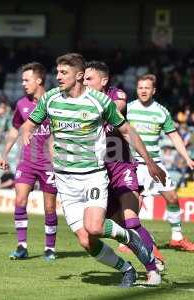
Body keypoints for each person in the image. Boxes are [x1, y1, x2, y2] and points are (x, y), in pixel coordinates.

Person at [21, 53, 166, 288]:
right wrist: (27, 131)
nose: (57, 77)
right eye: (57, 72)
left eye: (63, 73)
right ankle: (126, 269)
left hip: (92, 176)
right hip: (65, 182)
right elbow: (30, 123)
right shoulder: (50, 99)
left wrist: (149, 161)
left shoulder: (99, 101)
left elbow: (127, 131)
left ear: (79, 76)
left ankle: (135, 245)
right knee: (86, 241)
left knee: (95, 227)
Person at [83, 61, 163, 285]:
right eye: (83, 79)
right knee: (102, 228)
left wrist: (149, 162)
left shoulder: (115, 95)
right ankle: (141, 257)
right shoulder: (81, 102)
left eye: (89, 79)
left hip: (122, 165)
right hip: (99, 172)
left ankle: (153, 268)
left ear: (104, 81)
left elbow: (116, 108)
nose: (85, 83)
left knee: (131, 220)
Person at [0, 62, 58, 261]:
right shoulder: (22, 104)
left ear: (39, 80)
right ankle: (22, 246)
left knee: (49, 207)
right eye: (22, 80)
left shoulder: (54, 102)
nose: (23, 84)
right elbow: (16, 129)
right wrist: (4, 153)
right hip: (27, 162)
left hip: (49, 164)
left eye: (26, 80)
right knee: (20, 201)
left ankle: (50, 248)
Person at [127, 74, 194, 251]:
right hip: (134, 164)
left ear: (153, 90)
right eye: (140, 87)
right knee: (135, 203)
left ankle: (177, 238)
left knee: (172, 197)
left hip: (155, 164)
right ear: (137, 89)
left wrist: (187, 158)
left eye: (147, 88)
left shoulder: (161, 111)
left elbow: (174, 136)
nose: (143, 90)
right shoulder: (128, 109)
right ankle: (127, 240)